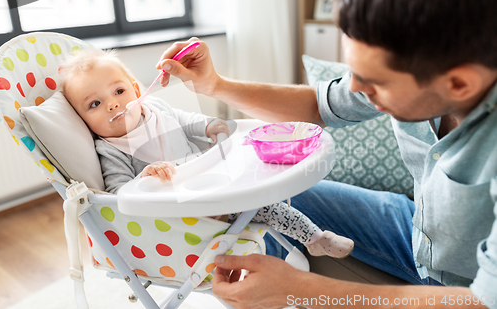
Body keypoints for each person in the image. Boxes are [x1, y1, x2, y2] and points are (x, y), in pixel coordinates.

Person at [155, 0, 497, 308]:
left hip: (467, 285)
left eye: (374, 83)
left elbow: (485, 301)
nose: (355, 89)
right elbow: (322, 104)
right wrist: (214, 85)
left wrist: (300, 290)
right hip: (417, 232)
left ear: (459, 84)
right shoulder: (423, 69)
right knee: (264, 197)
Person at [60, 49, 355, 259]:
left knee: (259, 184)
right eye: (94, 104)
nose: (112, 104)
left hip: (208, 176)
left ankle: (310, 238)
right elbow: (119, 194)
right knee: (261, 205)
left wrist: (210, 125)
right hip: (184, 207)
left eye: (119, 91)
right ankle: (315, 237)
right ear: (82, 120)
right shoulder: (110, 149)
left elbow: (188, 121)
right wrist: (144, 176)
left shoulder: (157, 109)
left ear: (138, 91)